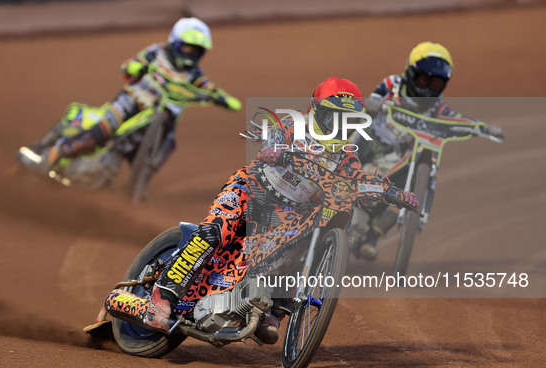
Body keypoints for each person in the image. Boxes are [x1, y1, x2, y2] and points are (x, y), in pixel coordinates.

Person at [104, 77, 419, 343]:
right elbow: (273, 136)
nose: (340, 127)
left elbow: (359, 178)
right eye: (334, 117)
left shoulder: (348, 156)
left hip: (289, 215)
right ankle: (160, 299)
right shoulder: (295, 125)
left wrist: (391, 193)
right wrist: (272, 147)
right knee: (215, 231)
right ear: (319, 112)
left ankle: (274, 310)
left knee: (309, 237)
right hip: (252, 191)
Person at [25, 17, 241, 171]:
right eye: (187, 48)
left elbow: (206, 85)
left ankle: (139, 179)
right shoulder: (158, 52)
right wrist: (135, 67)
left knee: (170, 143)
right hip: (134, 99)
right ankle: (57, 152)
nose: (190, 54)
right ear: (175, 43)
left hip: (162, 111)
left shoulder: (194, 72)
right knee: (108, 125)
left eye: (195, 50)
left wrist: (222, 97)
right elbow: (132, 63)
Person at [354, 41, 505, 260]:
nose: (426, 88)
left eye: (434, 84)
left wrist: (483, 128)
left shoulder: (438, 108)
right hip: (371, 145)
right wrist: (371, 104)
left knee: (410, 186)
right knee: (359, 149)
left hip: (398, 160)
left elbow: (456, 121)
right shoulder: (392, 84)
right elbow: (371, 101)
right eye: (423, 79)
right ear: (410, 73)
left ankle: (369, 236)